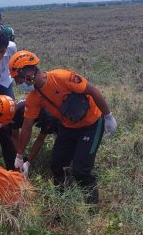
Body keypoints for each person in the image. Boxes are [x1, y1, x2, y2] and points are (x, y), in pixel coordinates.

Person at [9, 50, 117, 203]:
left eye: (18, 79)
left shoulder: (62, 77)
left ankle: (91, 208)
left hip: (91, 124)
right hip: (68, 127)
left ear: (28, 72)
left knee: (81, 170)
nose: (19, 83)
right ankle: (63, 200)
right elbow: (26, 127)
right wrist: (19, 157)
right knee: (57, 164)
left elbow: (91, 90)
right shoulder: (34, 97)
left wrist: (108, 116)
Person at [10, 100, 58, 170]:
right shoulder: (18, 111)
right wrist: (19, 156)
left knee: (60, 141)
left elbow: (40, 140)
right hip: (30, 113)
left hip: (60, 119)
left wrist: (28, 161)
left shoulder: (48, 117)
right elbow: (15, 135)